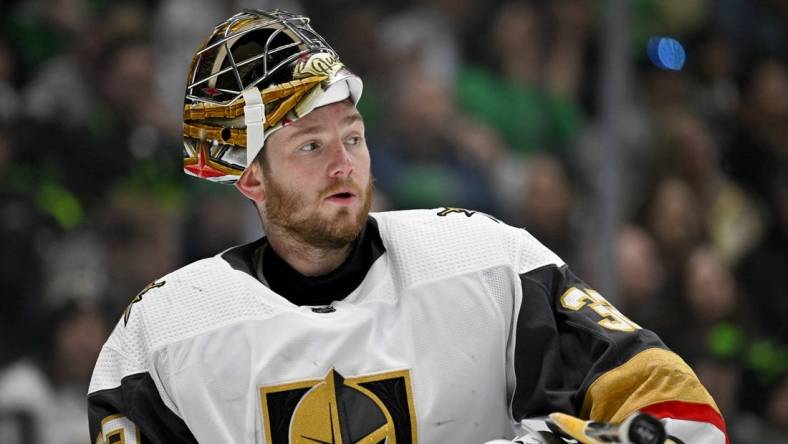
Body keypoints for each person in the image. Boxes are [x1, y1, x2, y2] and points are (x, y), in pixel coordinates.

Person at [87, 9, 727, 444]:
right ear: (249, 179)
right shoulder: (162, 338)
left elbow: (685, 415)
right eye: (310, 146)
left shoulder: (489, 263)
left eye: (354, 136)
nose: (345, 164)